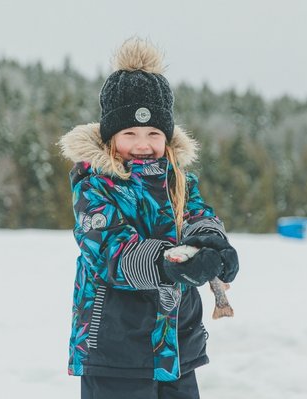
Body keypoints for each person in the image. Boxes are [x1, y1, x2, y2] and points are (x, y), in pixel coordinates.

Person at [59, 37, 240, 399]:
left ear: (168, 137)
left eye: (154, 133)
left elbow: (199, 217)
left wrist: (213, 246)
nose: (143, 143)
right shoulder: (94, 186)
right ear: (111, 137)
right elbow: (112, 251)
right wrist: (166, 264)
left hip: (177, 345)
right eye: (130, 133)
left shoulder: (179, 182)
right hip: (115, 349)